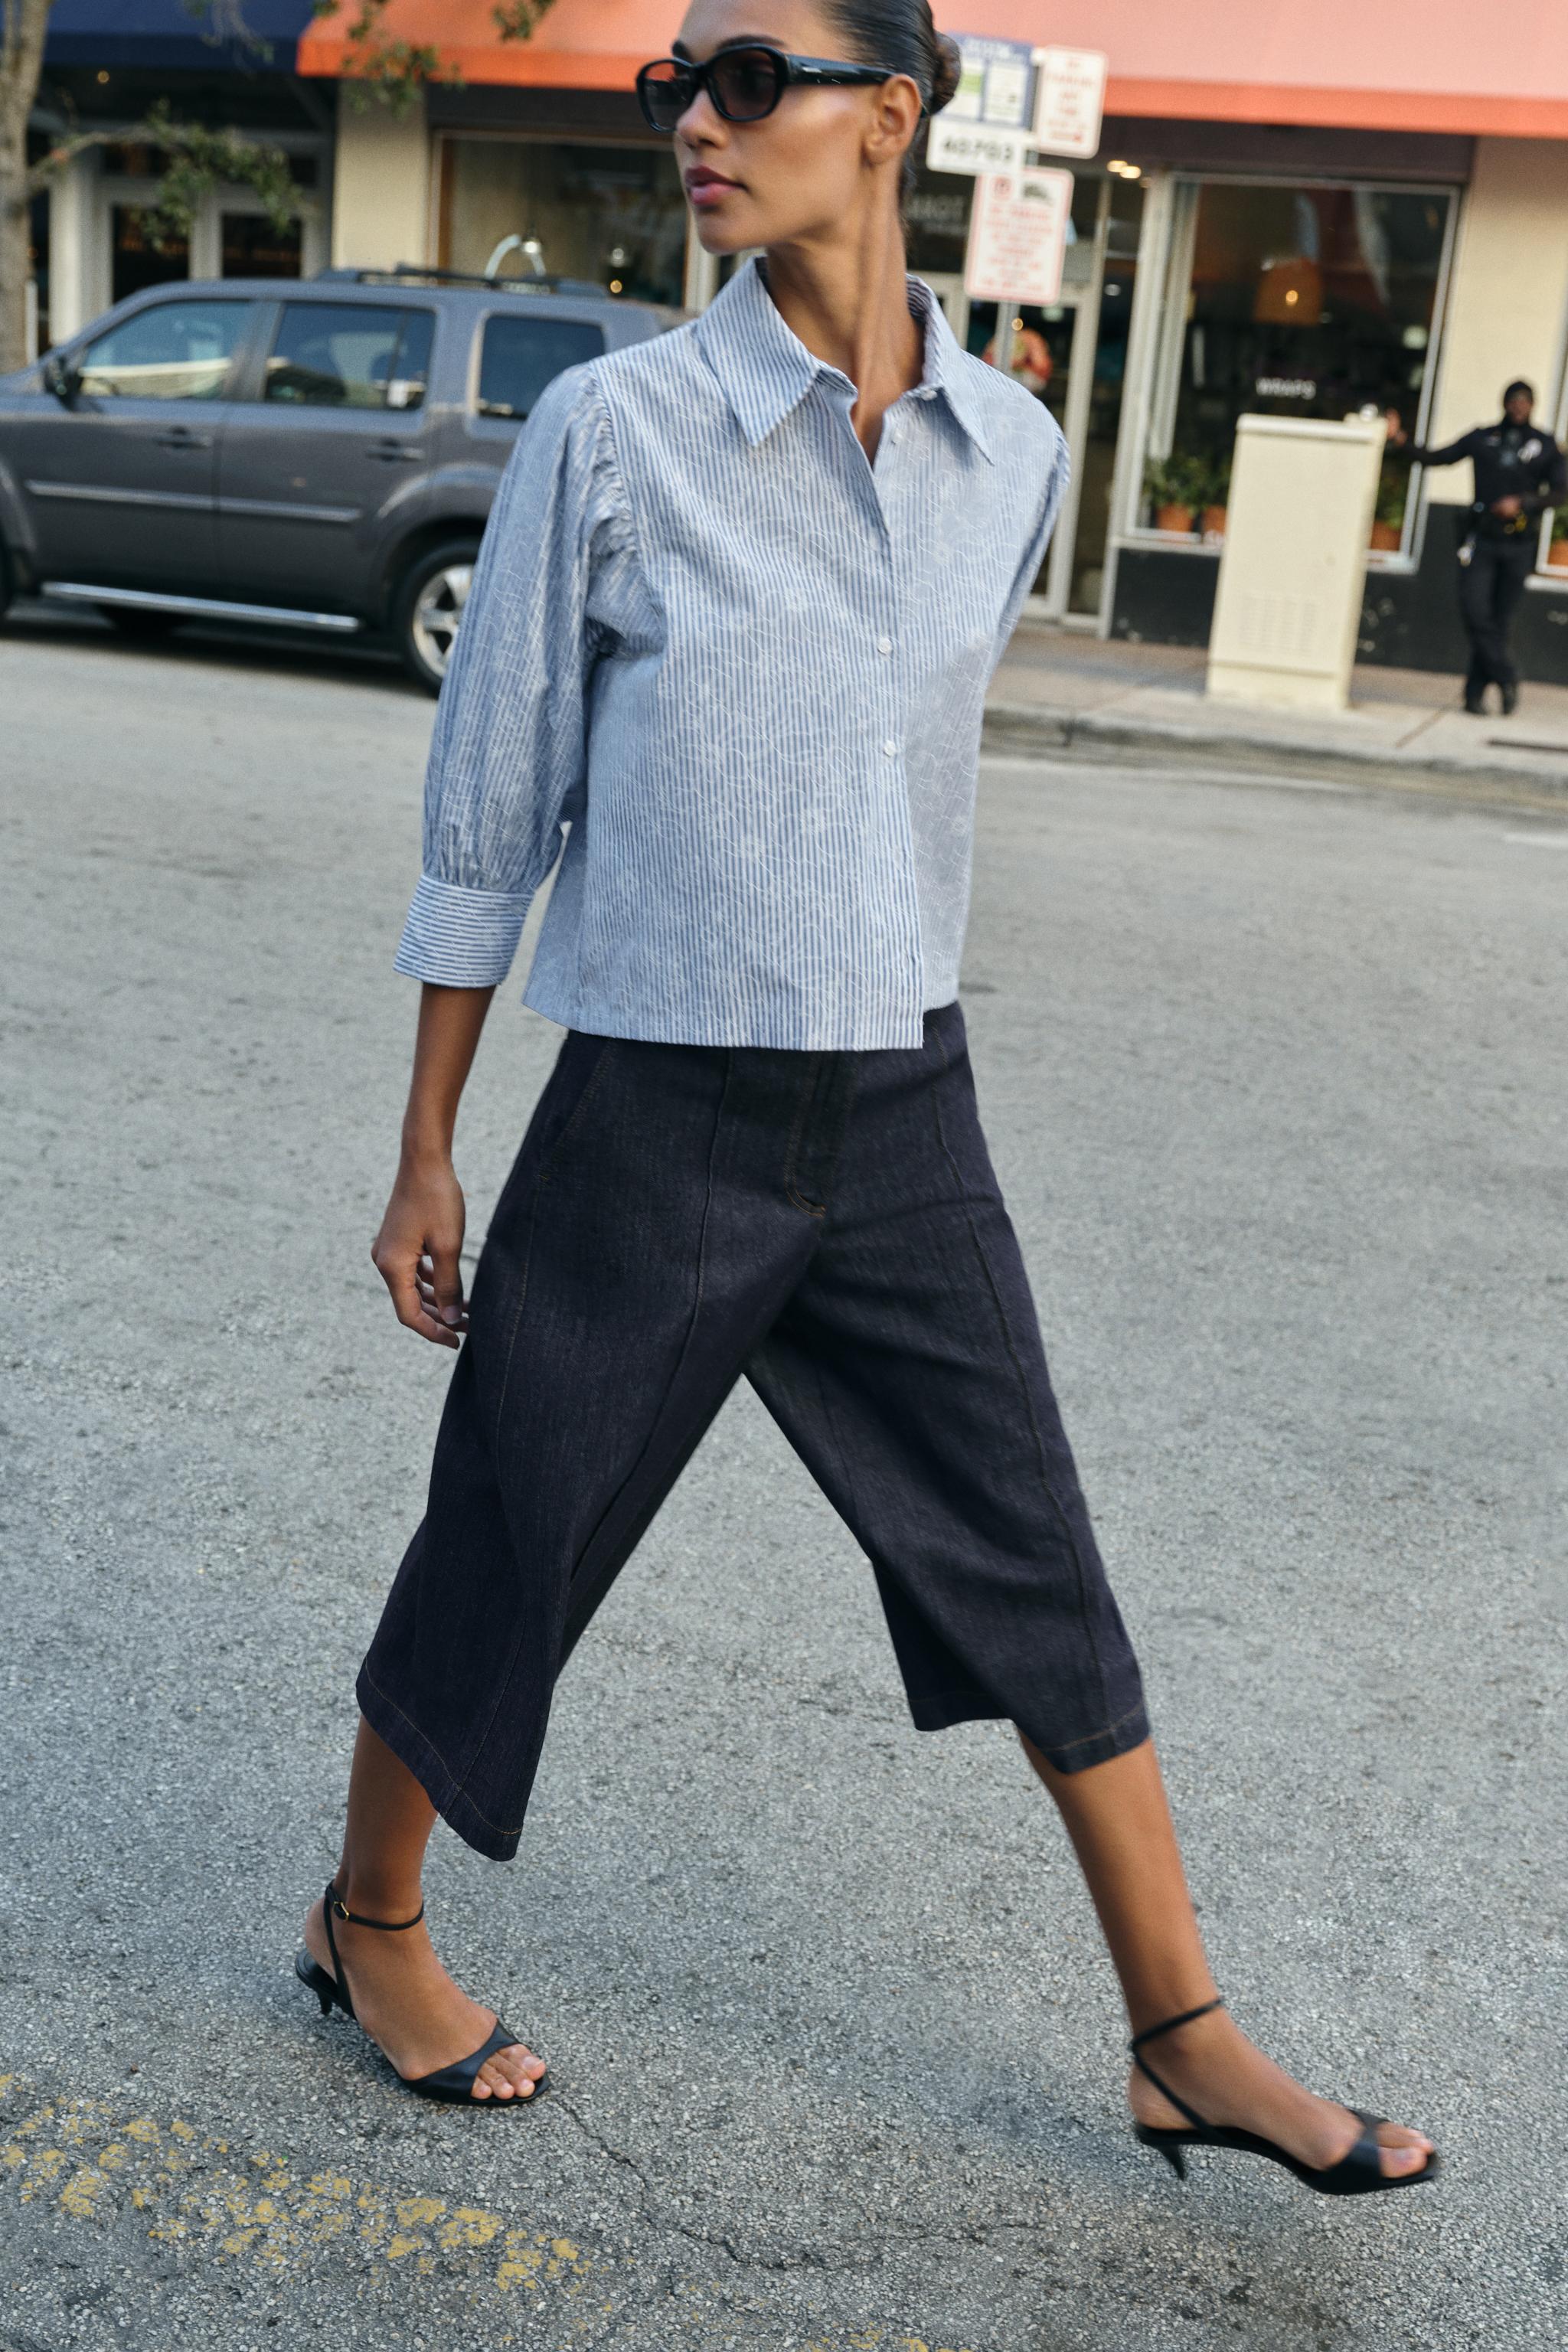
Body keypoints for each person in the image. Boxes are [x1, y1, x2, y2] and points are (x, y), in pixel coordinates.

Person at [293, 0, 1439, 2197]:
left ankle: (1183, 2035)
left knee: (1039, 1561)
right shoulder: (615, 435)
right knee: (515, 1530)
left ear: (887, 117)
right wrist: (432, 1138)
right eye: (676, 89)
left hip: (903, 1106)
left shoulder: (1011, 451)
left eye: (749, 79)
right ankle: (369, 1923)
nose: (697, 124)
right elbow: (493, 805)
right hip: (656, 1101)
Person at [1387, 381, 1566, 714]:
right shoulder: (1483, 439)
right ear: (1504, 402)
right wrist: (1399, 440)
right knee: (1474, 610)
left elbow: (1561, 491)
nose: (1518, 407)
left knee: (1499, 620)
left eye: (1525, 401)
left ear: (1534, 405)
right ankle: (1506, 675)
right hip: (1482, 539)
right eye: (1513, 400)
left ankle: (1473, 695)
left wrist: (1524, 502)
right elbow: (1436, 457)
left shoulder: (1543, 445)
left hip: (1520, 543)